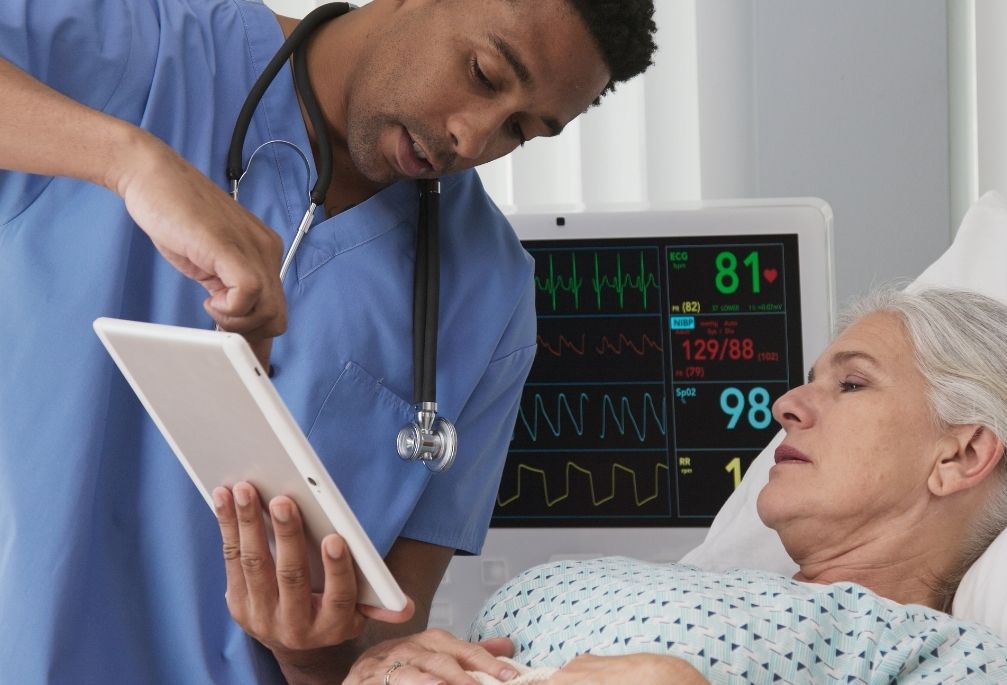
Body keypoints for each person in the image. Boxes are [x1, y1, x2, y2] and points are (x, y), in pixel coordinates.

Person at [0, 1, 657, 683]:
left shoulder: (489, 295)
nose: (472, 137)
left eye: (520, 129)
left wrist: (311, 653)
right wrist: (127, 160)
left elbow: (378, 655)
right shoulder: (147, 46)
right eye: (484, 73)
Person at [339, 288, 1007, 684]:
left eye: (851, 382)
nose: (786, 403)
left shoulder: (945, 658)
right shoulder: (702, 584)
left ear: (961, 453)